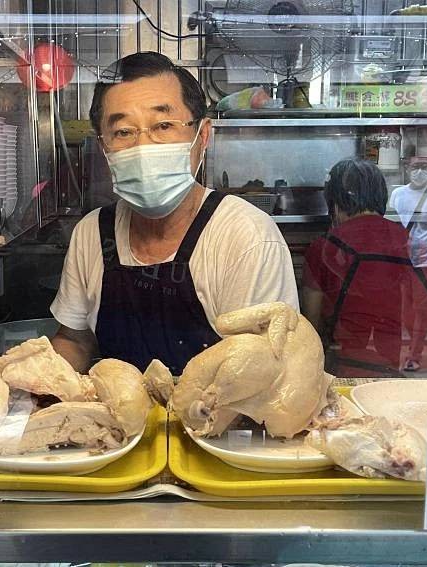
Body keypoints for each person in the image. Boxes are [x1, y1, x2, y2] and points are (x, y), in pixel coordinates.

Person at [49, 51, 298, 375]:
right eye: (123, 131)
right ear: (103, 146)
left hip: (216, 420)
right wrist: (42, 387)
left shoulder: (246, 237)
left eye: (163, 125)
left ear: (203, 135)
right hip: (123, 423)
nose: (144, 146)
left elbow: (264, 365)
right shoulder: (92, 234)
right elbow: (75, 340)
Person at [302, 159, 423, 376]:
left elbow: (311, 324)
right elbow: (419, 307)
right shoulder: (408, 241)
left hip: (342, 366)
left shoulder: (324, 247)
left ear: (335, 202)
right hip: (391, 364)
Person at [386, 156, 427, 371]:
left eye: (424, 167)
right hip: (400, 261)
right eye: (415, 167)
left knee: (422, 309)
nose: (419, 171)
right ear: (407, 169)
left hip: (425, 260)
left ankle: (415, 354)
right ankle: (410, 346)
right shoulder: (397, 194)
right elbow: (389, 227)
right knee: (404, 309)